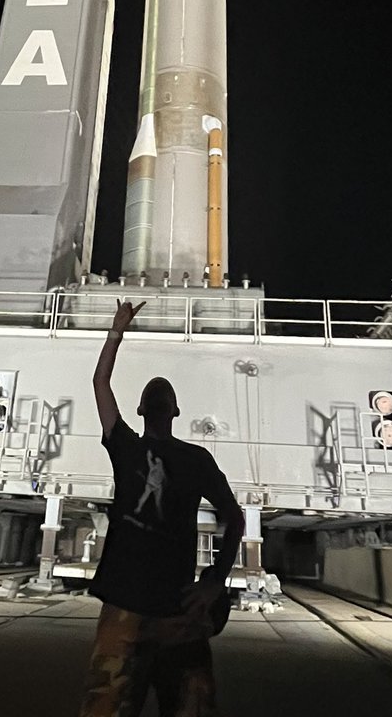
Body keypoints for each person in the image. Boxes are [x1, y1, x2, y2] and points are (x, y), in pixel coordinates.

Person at [78, 299, 245, 716]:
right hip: (165, 608)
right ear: (172, 411)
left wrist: (213, 582)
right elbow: (235, 519)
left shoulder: (137, 450)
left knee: (113, 703)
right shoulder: (144, 450)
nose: (157, 394)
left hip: (149, 607)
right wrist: (215, 578)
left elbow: (101, 383)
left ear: (158, 410)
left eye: (160, 394)